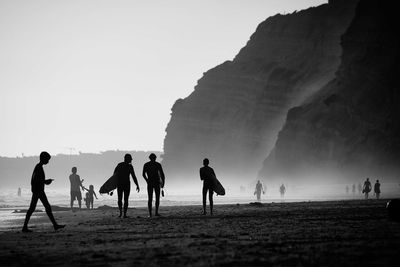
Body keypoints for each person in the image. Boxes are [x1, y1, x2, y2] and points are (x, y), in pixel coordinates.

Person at [22, 151, 65, 232]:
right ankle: (25, 227)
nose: (48, 161)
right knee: (39, 208)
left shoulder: (38, 167)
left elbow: (34, 180)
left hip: (38, 190)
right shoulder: (38, 167)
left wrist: (44, 182)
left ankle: (55, 225)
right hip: (38, 191)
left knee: (36, 208)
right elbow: (37, 180)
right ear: (43, 158)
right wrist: (46, 182)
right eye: (47, 159)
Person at [113, 154, 140, 218]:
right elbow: (133, 176)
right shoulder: (130, 166)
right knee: (126, 199)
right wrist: (137, 185)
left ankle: (120, 213)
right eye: (130, 159)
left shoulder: (119, 165)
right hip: (126, 184)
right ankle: (124, 214)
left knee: (120, 199)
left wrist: (113, 184)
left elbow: (114, 174)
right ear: (127, 159)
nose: (131, 160)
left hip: (119, 184)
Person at [142, 153, 165, 217]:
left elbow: (143, 174)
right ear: (155, 158)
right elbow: (162, 175)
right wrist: (163, 183)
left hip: (151, 182)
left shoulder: (146, 165)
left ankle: (150, 214)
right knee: (156, 198)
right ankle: (156, 213)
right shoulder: (157, 164)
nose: (153, 159)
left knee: (150, 198)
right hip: (156, 182)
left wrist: (147, 180)